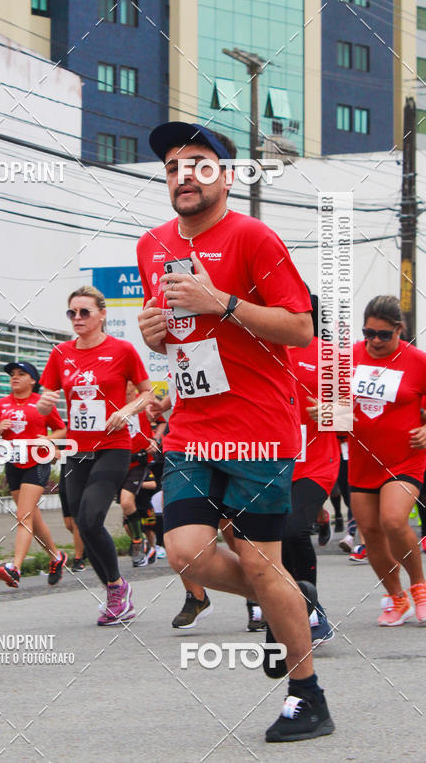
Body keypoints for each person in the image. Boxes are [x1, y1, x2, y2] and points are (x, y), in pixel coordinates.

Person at [137, 121, 333, 742]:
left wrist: (220, 300)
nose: (182, 176)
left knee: (257, 559)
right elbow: (176, 333)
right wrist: (156, 334)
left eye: (197, 163)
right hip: (193, 426)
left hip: (255, 429)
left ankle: (307, 696)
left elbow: (301, 329)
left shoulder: (253, 237)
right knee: (184, 550)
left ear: (225, 174)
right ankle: (286, 595)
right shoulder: (152, 244)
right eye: (172, 166)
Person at [37, 286, 153, 625]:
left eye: (84, 312)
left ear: (102, 314)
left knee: (90, 518)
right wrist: (45, 402)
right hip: (77, 451)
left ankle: (117, 590)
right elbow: (49, 392)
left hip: (112, 448)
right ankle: (115, 590)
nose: (77, 319)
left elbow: (147, 393)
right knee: (79, 525)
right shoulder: (61, 353)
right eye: (72, 313)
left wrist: (128, 410)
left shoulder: (122, 350)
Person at [310, 295, 426, 625]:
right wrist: (326, 412)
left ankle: (419, 587)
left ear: (399, 330)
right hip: (363, 461)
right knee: (371, 533)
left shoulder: (417, 361)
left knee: (392, 520)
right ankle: (396, 597)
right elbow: (337, 407)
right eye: (368, 333)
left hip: (405, 459)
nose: (375, 341)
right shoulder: (348, 359)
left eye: (384, 335)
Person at [286, 291, 340, 645]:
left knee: (291, 531)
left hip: (314, 464)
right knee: (265, 542)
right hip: (267, 462)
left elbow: (355, 419)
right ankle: (284, 609)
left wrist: (332, 412)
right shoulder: (259, 348)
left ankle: (312, 611)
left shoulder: (330, 356)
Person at [0, 361, 68, 588]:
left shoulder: (41, 404)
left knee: (23, 516)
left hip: (37, 462)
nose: (15, 377)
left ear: (33, 380)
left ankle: (15, 568)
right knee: (31, 517)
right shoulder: (0, 405)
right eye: (12, 374)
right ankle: (56, 556)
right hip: (13, 463)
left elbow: (61, 429)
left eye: (21, 374)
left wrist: (49, 439)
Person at [120, 382, 160, 566]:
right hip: (119, 462)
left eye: (129, 381)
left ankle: (138, 542)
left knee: (127, 501)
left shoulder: (144, 402)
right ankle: (145, 545)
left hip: (140, 461)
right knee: (126, 512)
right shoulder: (112, 402)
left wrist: (154, 440)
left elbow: (162, 421)